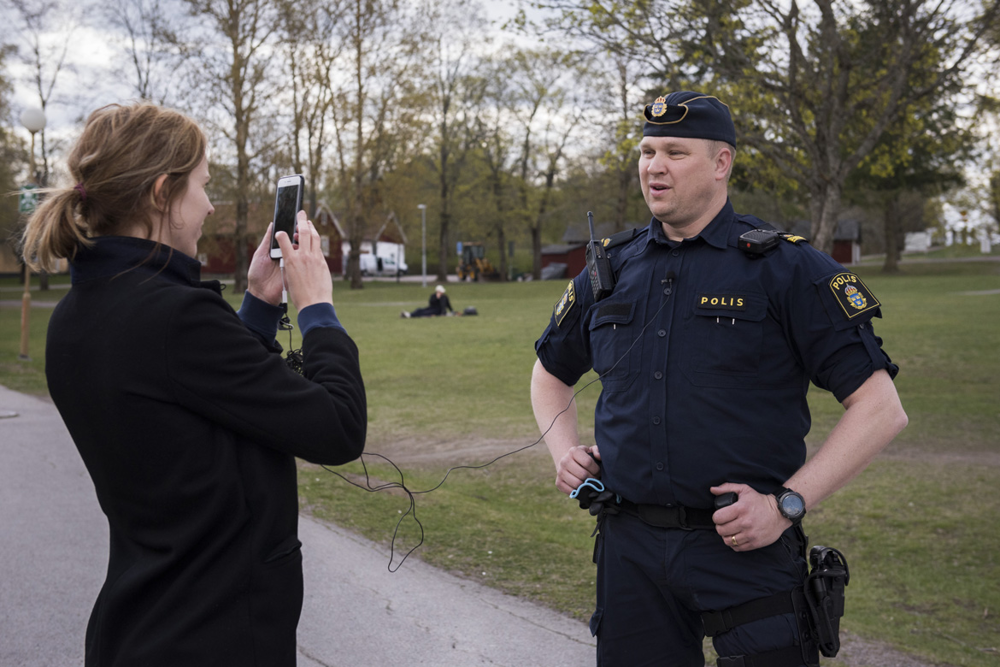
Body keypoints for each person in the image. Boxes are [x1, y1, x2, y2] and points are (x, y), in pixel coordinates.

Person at [530, 91, 907, 667]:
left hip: (745, 551)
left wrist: (786, 505)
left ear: (721, 163)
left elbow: (880, 408)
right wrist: (565, 454)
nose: (654, 167)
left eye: (675, 152)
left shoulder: (787, 269)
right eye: (647, 151)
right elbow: (549, 373)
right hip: (630, 553)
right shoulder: (610, 270)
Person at [20, 103, 367, 667]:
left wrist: (258, 307)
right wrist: (318, 310)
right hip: (212, 636)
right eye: (203, 186)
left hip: (138, 627)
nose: (209, 205)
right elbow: (338, 427)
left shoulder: (76, 315)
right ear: (163, 193)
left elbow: (201, 402)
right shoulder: (175, 319)